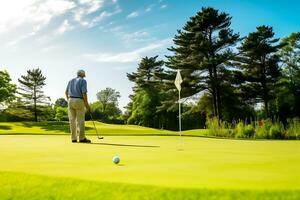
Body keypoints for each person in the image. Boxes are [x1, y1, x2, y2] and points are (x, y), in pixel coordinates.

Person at [65, 70, 91, 143]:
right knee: (80, 120)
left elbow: (66, 92)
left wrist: (69, 100)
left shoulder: (70, 80)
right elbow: (84, 93)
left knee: (72, 120)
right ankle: (82, 138)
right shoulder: (83, 81)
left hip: (70, 100)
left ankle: (73, 138)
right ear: (83, 74)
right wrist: (87, 105)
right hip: (79, 100)